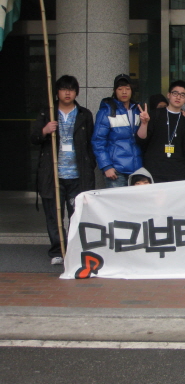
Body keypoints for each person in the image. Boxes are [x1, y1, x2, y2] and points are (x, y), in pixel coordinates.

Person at [31, 75, 96, 265]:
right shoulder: (47, 113)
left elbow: (91, 142)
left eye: (71, 89)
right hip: (53, 174)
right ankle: (57, 251)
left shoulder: (84, 114)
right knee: (54, 215)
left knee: (77, 214)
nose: (67, 93)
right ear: (57, 92)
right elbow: (33, 138)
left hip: (78, 173)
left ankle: (75, 249)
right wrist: (44, 131)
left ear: (76, 92)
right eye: (64, 89)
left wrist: (90, 165)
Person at [137, 80, 185, 182]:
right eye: (175, 93)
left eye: (182, 95)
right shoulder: (155, 114)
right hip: (153, 170)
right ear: (168, 95)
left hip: (177, 171)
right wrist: (144, 123)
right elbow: (141, 139)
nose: (178, 97)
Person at [92, 74, 143, 188]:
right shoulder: (107, 111)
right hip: (116, 170)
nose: (124, 92)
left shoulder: (138, 110)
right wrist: (106, 166)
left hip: (137, 169)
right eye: (120, 89)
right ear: (114, 91)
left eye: (127, 89)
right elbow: (98, 141)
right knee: (117, 200)